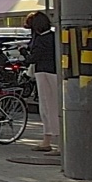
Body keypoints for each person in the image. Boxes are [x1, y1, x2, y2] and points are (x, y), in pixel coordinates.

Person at [25, 11, 60, 154]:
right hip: (54, 71)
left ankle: (53, 140)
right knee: (52, 106)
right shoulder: (53, 37)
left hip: (44, 72)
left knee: (48, 106)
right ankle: (50, 139)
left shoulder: (40, 40)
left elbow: (33, 57)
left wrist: (23, 52)